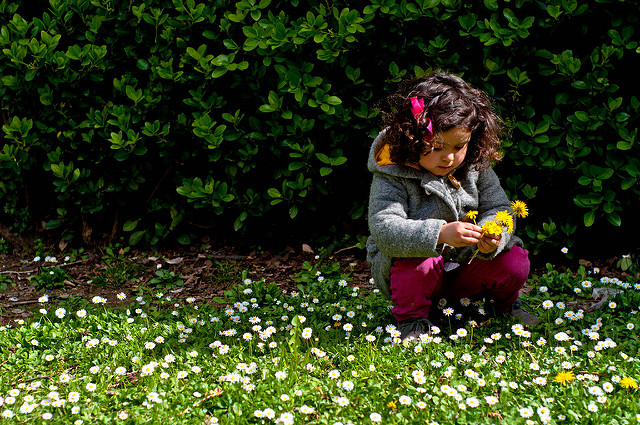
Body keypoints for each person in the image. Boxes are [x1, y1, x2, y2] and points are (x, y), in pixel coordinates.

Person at [366, 71, 539, 341]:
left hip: (464, 269)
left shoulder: (474, 165)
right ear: (411, 139)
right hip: (415, 274)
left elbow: (500, 208)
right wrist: (439, 234)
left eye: (460, 145)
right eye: (435, 147)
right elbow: (384, 228)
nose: (448, 157)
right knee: (417, 265)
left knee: (514, 261)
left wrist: (493, 233)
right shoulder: (393, 173)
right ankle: (412, 321)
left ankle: (504, 307)